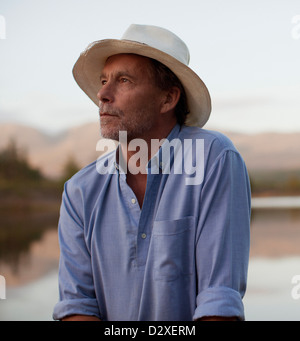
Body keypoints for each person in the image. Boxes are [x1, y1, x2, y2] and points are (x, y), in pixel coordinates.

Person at [53, 24, 251, 321]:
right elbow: (77, 306)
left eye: (123, 80)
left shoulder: (214, 158)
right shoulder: (80, 190)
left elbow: (219, 299)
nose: (103, 94)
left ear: (168, 99)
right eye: (104, 80)